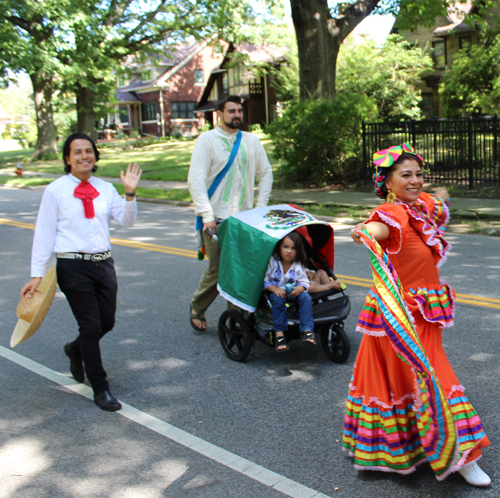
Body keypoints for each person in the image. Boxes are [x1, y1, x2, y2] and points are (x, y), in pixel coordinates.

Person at [343, 144, 490, 486]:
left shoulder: (422, 205)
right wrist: (361, 231)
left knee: (405, 381)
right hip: (401, 316)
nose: (414, 181)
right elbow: (375, 229)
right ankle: (464, 456)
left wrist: (441, 193)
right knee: (433, 379)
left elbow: (437, 204)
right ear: (388, 182)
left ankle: (413, 446)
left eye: (418, 174)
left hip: (425, 312)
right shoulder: (389, 213)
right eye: (405, 175)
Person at [20, 133, 142, 412]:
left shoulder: (106, 188)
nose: (84, 156)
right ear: (67, 158)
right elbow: (44, 234)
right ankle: (100, 387)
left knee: (106, 323)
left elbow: (126, 221)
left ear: (95, 156)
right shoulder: (56, 190)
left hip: (104, 264)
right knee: (90, 326)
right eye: (78, 152)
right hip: (73, 266)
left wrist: (130, 193)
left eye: (89, 151)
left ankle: (75, 349)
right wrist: (37, 274)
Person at [188, 95, 273, 332]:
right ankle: (197, 306)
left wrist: (261, 207)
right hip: (215, 218)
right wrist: (206, 216)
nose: (237, 115)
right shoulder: (207, 140)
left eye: (239, 111)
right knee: (218, 270)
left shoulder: (251, 141)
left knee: (242, 269)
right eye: (232, 111)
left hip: (245, 219)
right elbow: (195, 180)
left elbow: (265, 173)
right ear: (220, 114)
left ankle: (238, 321)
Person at [263, 232, 315, 351]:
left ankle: (307, 330)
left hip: (292, 292)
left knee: (306, 297)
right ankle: (279, 335)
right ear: (279, 247)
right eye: (285, 247)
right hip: (274, 291)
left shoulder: (297, 263)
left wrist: (300, 288)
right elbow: (263, 280)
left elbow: (304, 281)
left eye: (293, 248)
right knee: (278, 299)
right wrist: (275, 289)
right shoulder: (272, 261)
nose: (289, 251)